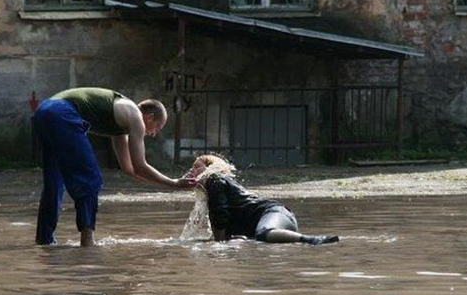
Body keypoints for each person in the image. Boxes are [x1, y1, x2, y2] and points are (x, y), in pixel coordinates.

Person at [33, 87, 196, 247]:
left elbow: (129, 169)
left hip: (43, 111)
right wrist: (174, 183)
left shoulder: (121, 121)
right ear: (149, 117)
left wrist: (156, 183)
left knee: (54, 181)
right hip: (62, 112)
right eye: (157, 128)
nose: (153, 134)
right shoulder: (136, 117)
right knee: (91, 179)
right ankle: (87, 242)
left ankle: (45, 240)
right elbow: (140, 166)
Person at [185, 154, 339, 245]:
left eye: (197, 167)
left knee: (262, 233)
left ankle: (314, 240)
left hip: (274, 214)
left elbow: (220, 216)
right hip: (277, 221)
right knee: (254, 239)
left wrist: (218, 244)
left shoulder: (214, 179)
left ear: (210, 167)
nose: (192, 171)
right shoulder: (212, 187)